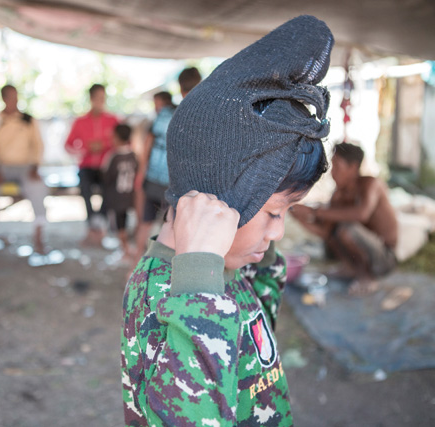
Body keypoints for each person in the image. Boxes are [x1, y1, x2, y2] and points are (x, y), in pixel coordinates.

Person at [121, 15, 334, 426]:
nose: (279, 231)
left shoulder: (232, 261)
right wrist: (198, 281)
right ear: (220, 200)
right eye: (273, 211)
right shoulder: (158, 292)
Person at [291, 142, 398, 295]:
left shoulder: (371, 184)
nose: (333, 173)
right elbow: (326, 232)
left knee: (346, 230)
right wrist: (299, 216)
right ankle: (350, 268)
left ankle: (366, 277)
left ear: (353, 168)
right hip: (365, 254)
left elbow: (362, 213)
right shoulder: (338, 194)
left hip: (384, 258)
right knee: (336, 231)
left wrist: (315, 212)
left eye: (337, 167)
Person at [0, 84, 48, 253]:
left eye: (16, 97)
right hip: (0, 167)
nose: (14, 101)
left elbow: (38, 145)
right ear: (4, 99)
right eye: (11, 97)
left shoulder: (28, 120)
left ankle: (38, 237)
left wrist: (36, 166)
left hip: (26, 167)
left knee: (38, 187)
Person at [65, 84, 119, 245]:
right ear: (91, 99)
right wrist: (85, 148)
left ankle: (100, 226)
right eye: (97, 98)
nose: (100, 102)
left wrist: (105, 146)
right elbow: (68, 145)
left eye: (103, 98)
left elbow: (122, 142)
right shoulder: (80, 121)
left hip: (106, 166)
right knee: (85, 189)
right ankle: (91, 226)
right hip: (87, 166)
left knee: (109, 190)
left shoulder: (113, 120)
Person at [134, 91, 176, 259]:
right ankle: (162, 267)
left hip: (153, 179)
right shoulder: (181, 114)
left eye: (156, 103)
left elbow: (147, 145)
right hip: (170, 181)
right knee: (170, 225)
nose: (155, 107)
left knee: (145, 222)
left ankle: (134, 266)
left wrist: (141, 172)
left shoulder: (159, 118)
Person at [101, 124, 138, 258]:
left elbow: (106, 177)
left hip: (116, 197)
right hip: (130, 196)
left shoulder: (113, 156)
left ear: (116, 137)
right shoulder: (134, 156)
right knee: (126, 220)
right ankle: (127, 248)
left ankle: (125, 250)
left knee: (119, 223)